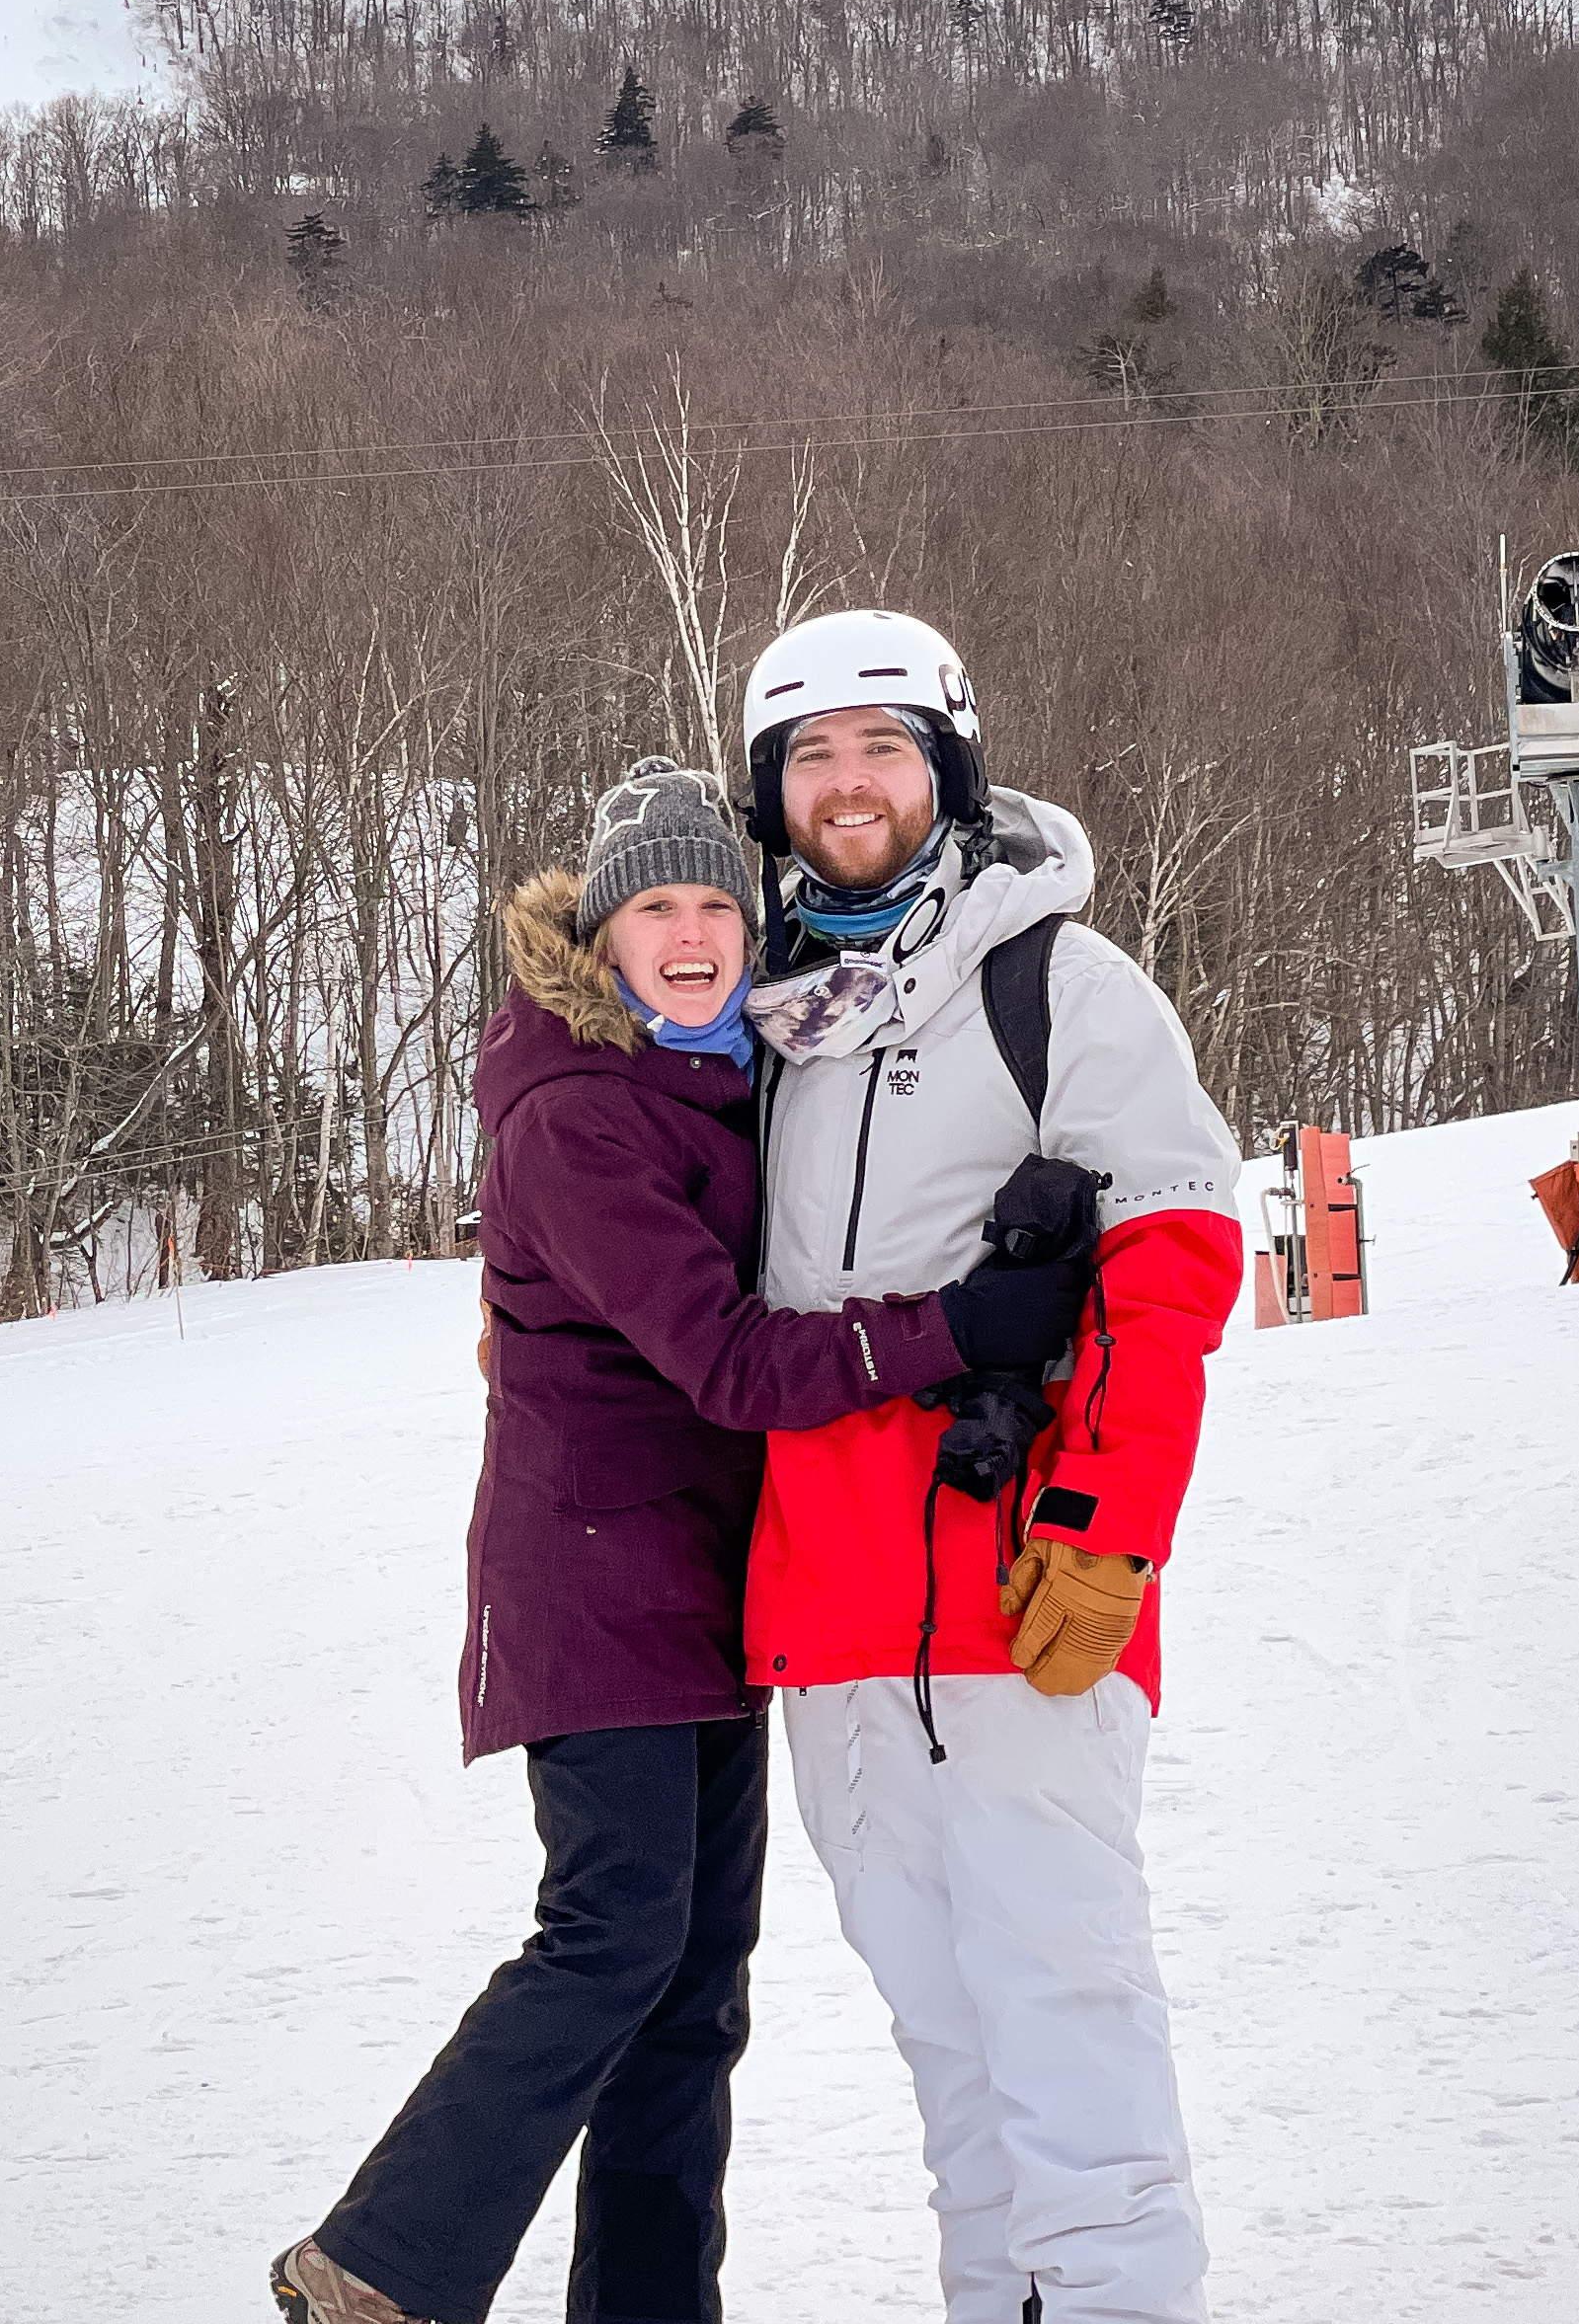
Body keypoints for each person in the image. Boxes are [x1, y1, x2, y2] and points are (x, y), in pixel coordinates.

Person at [275, 756, 1095, 2324]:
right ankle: (377, 2264)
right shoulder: (580, 1113)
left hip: (707, 1587)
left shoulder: (727, 1062)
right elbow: (726, 1356)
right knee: (614, 1933)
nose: (695, 929)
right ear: (600, 932)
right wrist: (951, 1328)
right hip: (592, 1583)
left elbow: (909, 1022)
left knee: (691, 1991)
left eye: (716, 898)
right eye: (657, 904)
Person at [736, 611, 1246, 2324]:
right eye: (811, 755)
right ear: (774, 794)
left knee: (1069, 2029)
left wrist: (1108, 1531)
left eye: (881, 746)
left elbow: (1171, 1265)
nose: (848, 783)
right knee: (954, 2070)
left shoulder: (1056, 988)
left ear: (945, 768)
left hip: (1017, 1596)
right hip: (836, 1628)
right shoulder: (766, 1031)